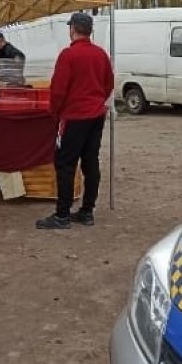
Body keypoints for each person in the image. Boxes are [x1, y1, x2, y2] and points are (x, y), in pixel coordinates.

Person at [36, 12, 114, 230]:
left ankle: (62, 215)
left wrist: (55, 112)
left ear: (73, 29)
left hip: (74, 116)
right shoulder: (101, 55)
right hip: (95, 115)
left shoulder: (68, 55)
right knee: (91, 163)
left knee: (65, 164)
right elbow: (109, 83)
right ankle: (87, 211)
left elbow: (58, 90)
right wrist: (97, 100)